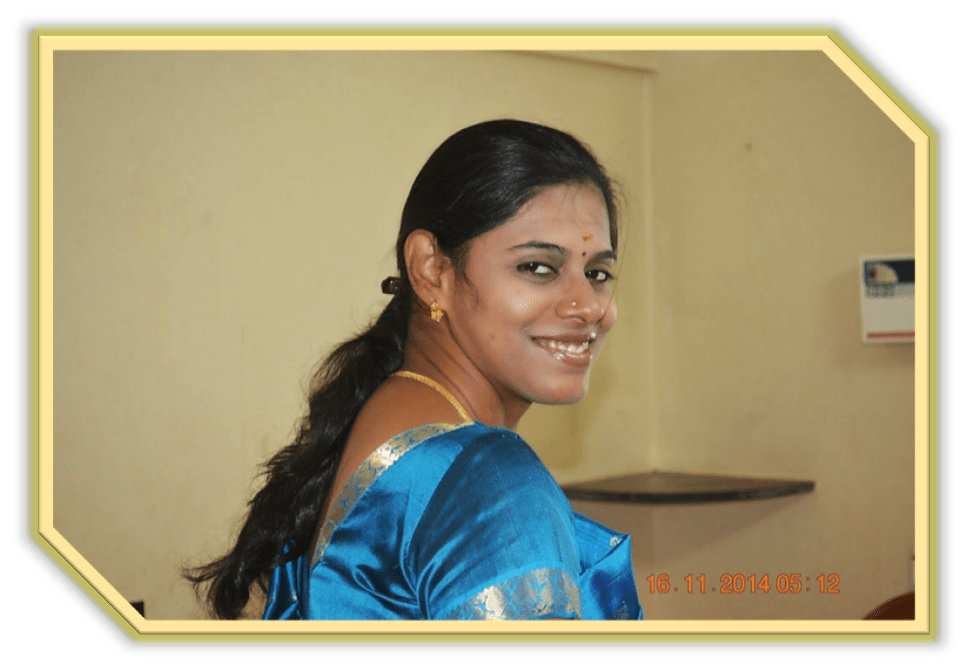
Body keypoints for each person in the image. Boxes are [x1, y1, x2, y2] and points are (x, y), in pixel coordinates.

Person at [186, 119, 642, 620]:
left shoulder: (384, 415)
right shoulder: (490, 481)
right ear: (430, 269)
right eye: (538, 267)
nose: (589, 306)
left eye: (598, 273)